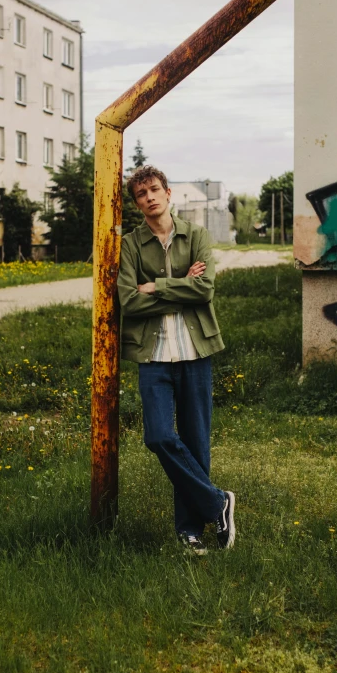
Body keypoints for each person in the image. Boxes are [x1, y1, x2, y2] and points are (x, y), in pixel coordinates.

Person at [117, 165, 236, 555]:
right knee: (159, 436)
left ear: (168, 194)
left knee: (197, 442)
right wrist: (180, 284)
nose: (149, 197)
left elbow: (204, 290)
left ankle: (190, 531)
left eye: (154, 189)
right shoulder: (131, 244)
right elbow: (129, 301)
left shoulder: (196, 235)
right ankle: (218, 503)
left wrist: (156, 285)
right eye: (140, 194)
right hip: (153, 355)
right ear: (136, 204)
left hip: (194, 352)